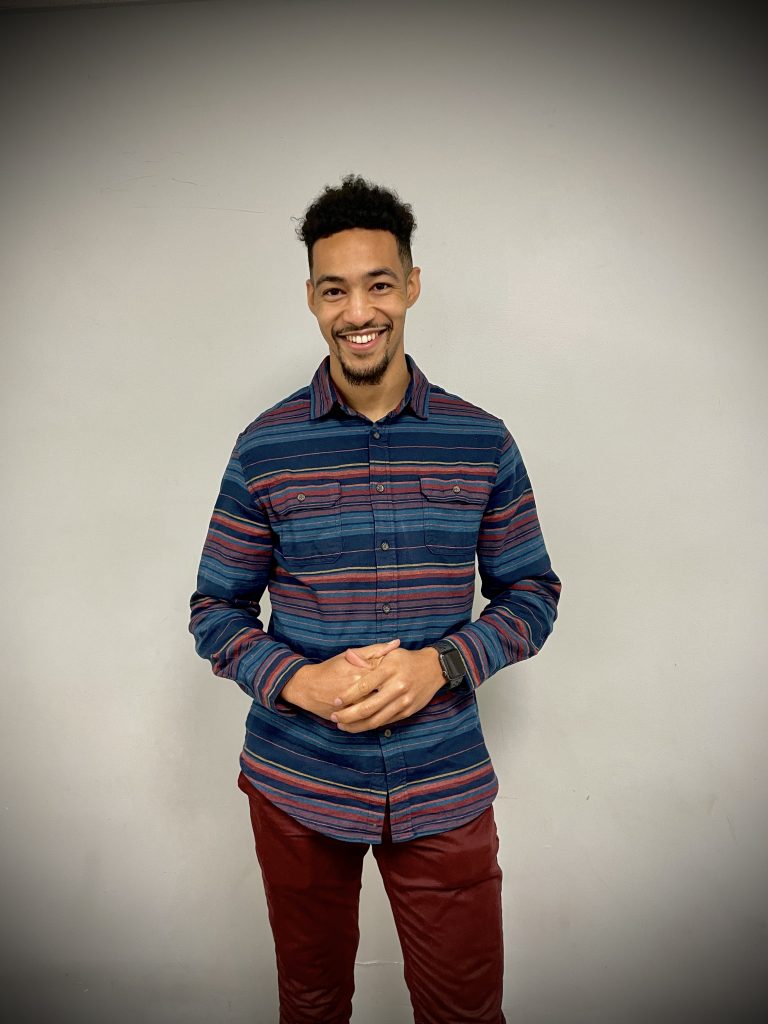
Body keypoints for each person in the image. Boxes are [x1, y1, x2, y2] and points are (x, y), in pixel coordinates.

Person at [189, 175, 561, 1024]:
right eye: (335, 290)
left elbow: (532, 593)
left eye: (379, 284)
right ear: (311, 299)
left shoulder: (481, 439)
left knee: (465, 1011)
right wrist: (299, 681)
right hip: (298, 781)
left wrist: (444, 664)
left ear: (412, 286)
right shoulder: (264, 448)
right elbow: (215, 611)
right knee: (312, 1003)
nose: (358, 311)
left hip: (442, 779)